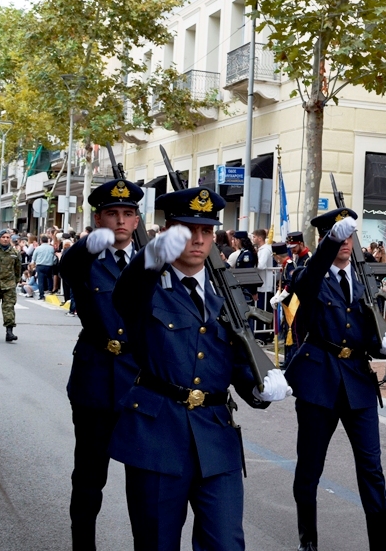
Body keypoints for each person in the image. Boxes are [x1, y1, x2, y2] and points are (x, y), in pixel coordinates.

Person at [110, 187, 292, 550]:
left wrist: (258, 388)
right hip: (158, 434)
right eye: (186, 230)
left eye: (206, 231)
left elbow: (238, 359)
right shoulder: (148, 288)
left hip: (215, 436)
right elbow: (126, 291)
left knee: (226, 543)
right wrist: (156, 250)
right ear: (167, 233)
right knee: (156, 542)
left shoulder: (225, 294)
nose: (197, 239)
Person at [284, 208, 386, 551]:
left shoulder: (365, 278)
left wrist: (384, 346)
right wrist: (331, 239)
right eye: (338, 236)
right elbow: (305, 284)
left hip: (357, 383)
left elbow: (368, 332)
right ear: (325, 239)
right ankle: (308, 540)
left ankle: (382, 546)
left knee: (372, 469)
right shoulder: (308, 275)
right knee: (309, 467)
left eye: (350, 236)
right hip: (318, 381)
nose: (346, 244)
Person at [60, 179, 145, 549]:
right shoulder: (86, 260)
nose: (121, 221)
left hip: (142, 384)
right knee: (90, 479)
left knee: (146, 483)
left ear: (138, 221)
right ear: (98, 219)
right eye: (112, 213)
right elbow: (69, 267)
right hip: (95, 381)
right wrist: (86, 244)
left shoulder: (152, 263)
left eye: (128, 214)